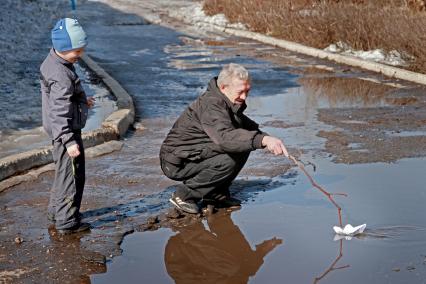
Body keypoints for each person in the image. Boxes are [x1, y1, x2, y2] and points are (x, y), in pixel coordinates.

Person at [160, 63, 288, 214]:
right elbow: (226, 137)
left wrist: (266, 138)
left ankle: (216, 194)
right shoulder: (211, 104)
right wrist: (262, 140)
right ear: (223, 87)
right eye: (240, 92)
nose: (244, 97)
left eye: (247, 91)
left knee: (244, 143)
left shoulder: (227, 101)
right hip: (178, 162)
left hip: (196, 153)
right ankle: (185, 195)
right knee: (230, 157)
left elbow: (245, 128)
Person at [40, 18, 95, 234]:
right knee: (72, 177)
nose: (79, 55)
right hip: (66, 133)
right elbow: (59, 111)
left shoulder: (53, 62)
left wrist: (82, 100)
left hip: (61, 131)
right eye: (77, 51)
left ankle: (57, 212)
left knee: (62, 175)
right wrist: (69, 140)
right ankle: (67, 222)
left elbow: (61, 100)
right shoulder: (62, 75)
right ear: (64, 48)